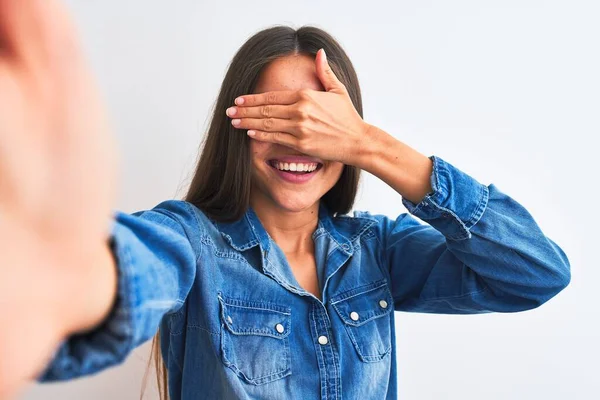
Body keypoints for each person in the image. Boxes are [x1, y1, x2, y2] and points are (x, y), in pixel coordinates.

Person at [0, 2, 571, 400]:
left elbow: (536, 272)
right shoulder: (191, 240)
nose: (298, 141)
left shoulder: (378, 251)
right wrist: (59, 276)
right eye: (276, 117)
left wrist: (371, 145)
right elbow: (128, 271)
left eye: (317, 123)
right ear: (237, 126)